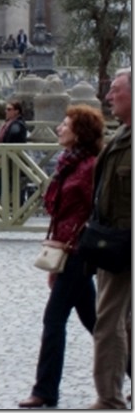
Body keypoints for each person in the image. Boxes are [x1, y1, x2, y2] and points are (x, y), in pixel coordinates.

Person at [18, 105, 103, 409]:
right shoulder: (67, 163)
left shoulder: (91, 166)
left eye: (65, 124)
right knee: (95, 322)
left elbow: (97, 211)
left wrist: (77, 244)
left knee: (54, 320)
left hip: (78, 252)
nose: (59, 128)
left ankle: (45, 391)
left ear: (79, 132)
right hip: (64, 251)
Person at [87, 68, 132, 410]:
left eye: (115, 90)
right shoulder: (121, 136)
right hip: (112, 244)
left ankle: (109, 398)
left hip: (122, 243)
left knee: (109, 322)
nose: (108, 97)